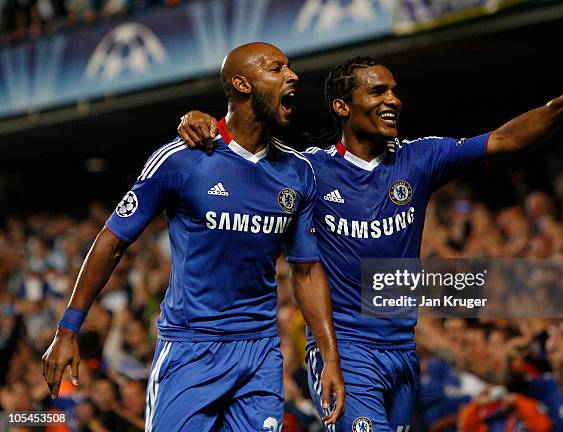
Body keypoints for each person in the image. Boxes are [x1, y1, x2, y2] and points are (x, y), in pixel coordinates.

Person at [177, 53, 563, 432]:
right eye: (378, 91)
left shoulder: (419, 159)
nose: (393, 100)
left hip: (402, 351)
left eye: (394, 91)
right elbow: (243, 151)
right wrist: (203, 122)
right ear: (342, 107)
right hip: (344, 353)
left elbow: (505, 140)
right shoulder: (308, 170)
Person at [41, 42, 345, 432]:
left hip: (260, 353)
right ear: (242, 84)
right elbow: (112, 241)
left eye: (289, 67)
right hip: (190, 349)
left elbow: (305, 270)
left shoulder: (297, 172)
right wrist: (68, 329)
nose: (292, 75)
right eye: (276, 68)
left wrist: (330, 357)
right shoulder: (182, 159)